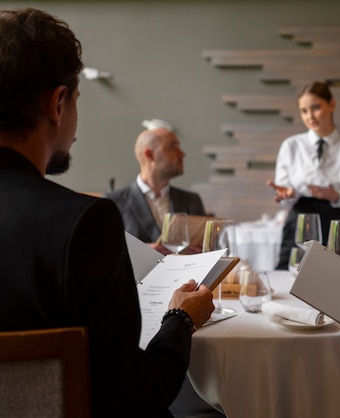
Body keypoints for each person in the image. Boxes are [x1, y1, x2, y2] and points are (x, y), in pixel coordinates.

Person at [0, 8, 214, 417]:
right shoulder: (83, 223)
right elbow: (137, 394)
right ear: (57, 103)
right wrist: (180, 320)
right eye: (77, 99)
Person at [267, 81, 340, 269]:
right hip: (299, 220)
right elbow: (285, 198)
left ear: (332, 105)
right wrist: (288, 196)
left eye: (315, 108)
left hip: (337, 223)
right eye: (304, 111)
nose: (310, 116)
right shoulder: (291, 146)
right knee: (289, 278)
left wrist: (336, 196)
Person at [105, 126, 206, 253]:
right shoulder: (112, 203)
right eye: (173, 147)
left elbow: (206, 250)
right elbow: (105, 252)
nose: (182, 154)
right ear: (149, 155)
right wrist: (140, 252)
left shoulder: (192, 200)